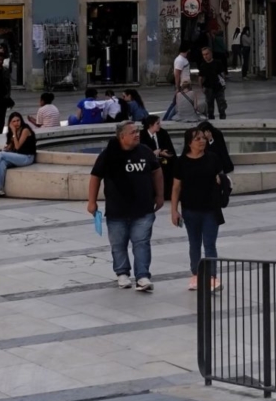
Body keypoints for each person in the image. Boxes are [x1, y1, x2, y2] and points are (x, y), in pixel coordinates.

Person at [86, 121, 164, 292]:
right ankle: (122, 273)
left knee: (141, 242)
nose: (137, 134)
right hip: (117, 210)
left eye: (137, 131)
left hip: (143, 208)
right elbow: (95, 177)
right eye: (132, 132)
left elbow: (156, 171)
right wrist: (92, 201)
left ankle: (142, 276)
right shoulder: (108, 155)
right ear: (121, 136)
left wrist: (159, 195)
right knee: (118, 244)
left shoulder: (145, 151)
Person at [171, 123, 228, 290]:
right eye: (197, 139)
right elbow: (176, 187)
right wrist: (174, 210)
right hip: (190, 209)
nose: (202, 141)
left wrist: (221, 181)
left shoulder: (212, 158)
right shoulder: (181, 162)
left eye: (203, 138)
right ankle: (195, 275)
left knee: (210, 244)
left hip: (210, 209)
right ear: (189, 142)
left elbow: (222, 177)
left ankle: (212, 277)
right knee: (194, 243)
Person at [0, 112, 37, 197]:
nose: (16, 123)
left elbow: (17, 147)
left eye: (18, 120)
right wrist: (7, 147)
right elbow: (12, 147)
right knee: (2, 163)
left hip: (27, 157)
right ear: (10, 123)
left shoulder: (25, 130)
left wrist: (14, 132)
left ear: (21, 120)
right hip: (18, 156)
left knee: (1, 155)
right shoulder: (13, 132)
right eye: (14, 121)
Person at [198, 44, 228, 119]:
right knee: (209, 109)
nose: (205, 56)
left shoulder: (218, 63)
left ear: (211, 53)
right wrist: (201, 87)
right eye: (203, 55)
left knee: (222, 107)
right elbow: (200, 77)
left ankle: (223, 121)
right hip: (208, 89)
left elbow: (222, 74)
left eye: (207, 54)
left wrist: (223, 84)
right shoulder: (203, 65)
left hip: (218, 88)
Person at [165, 44, 193, 121]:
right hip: (182, 86)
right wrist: (177, 87)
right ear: (187, 50)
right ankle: (166, 120)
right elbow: (177, 74)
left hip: (184, 84)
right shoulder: (180, 60)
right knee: (175, 104)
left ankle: (166, 119)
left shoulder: (182, 59)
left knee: (175, 103)